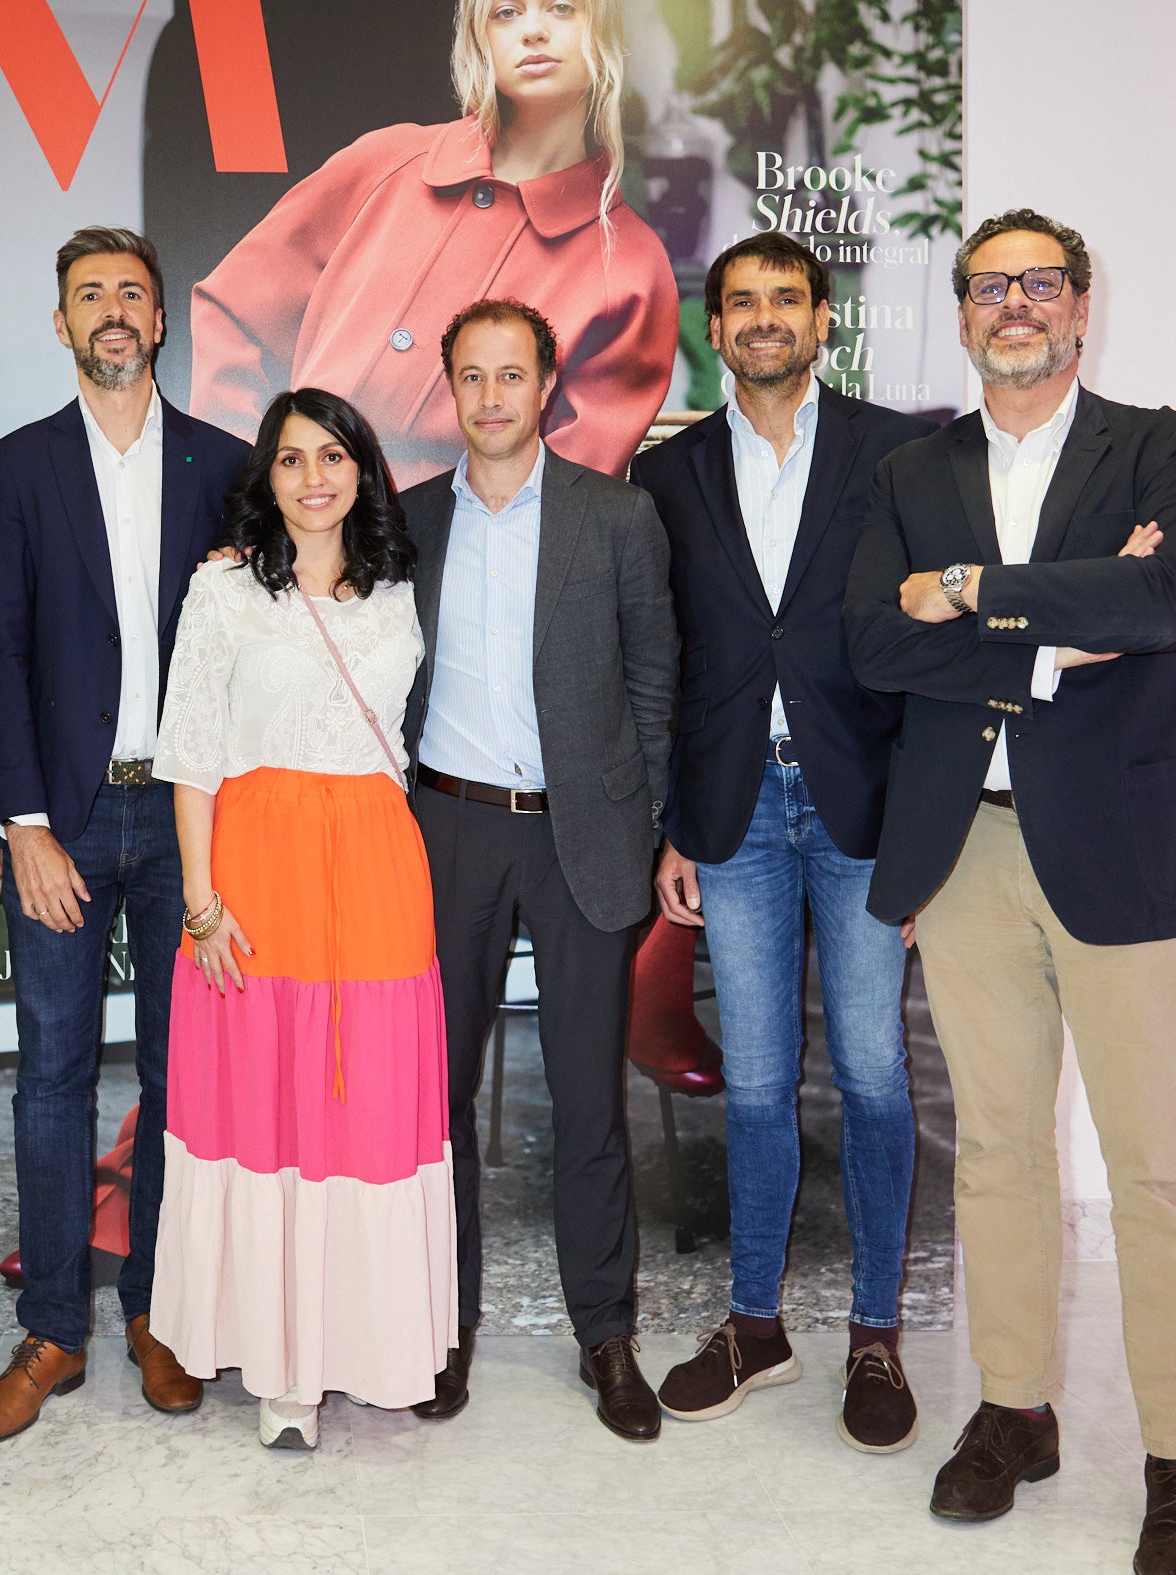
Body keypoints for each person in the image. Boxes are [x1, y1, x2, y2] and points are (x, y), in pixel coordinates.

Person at [844, 208, 1176, 1575]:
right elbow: (874, 642)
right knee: (998, 1153)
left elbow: (1166, 599)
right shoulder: (909, 465)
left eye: (1039, 282)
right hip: (965, 854)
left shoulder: (1163, 446)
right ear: (958, 313)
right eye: (988, 285)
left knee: (1157, 1168)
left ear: (1079, 305)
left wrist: (969, 592)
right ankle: (1015, 1411)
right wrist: (1061, 628)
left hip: (1125, 846)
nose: (1014, 303)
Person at [630, 231, 937, 1451]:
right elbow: (663, 667)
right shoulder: (670, 475)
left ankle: (873, 1334)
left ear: (821, 320)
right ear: (716, 328)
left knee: (869, 1073)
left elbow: (929, 660)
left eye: (786, 300)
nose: (764, 318)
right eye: (741, 302)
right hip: (734, 815)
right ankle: (753, 1324)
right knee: (755, 1082)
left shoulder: (897, 455)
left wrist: (923, 836)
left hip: (862, 812)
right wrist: (670, 827)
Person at [0, 226, 252, 1442]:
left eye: (132, 293)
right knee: (52, 1077)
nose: (114, 313)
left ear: (161, 319)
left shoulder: (224, 465)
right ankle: (53, 1333)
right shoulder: (17, 470)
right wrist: (23, 825)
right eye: (91, 296)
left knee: (185, 1081)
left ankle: (158, 1313)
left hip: (190, 815)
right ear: (62, 324)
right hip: (66, 823)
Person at [149, 388, 450, 1451]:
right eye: (290, 460)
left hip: (376, 862)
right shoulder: (224, 589)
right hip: (256, 865)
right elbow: (187, 753)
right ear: (264, 478)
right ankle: (281, 1366)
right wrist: (199, 902)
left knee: (364, 1108)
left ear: (363, 469)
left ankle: (368, 1345)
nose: (313, 477)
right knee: (268, 1109)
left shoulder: (404, 586)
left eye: (332, 456)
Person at [398, 297, 676, 1440]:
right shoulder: (405, 523)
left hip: (581, 838)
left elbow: (653, 685)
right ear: (451, 390)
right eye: (472, 376)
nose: (493, 396)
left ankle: (604, 1336)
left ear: (547, 383)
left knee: (586, 1104)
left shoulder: (616, 519)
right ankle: (436, 1329)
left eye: (513, 374)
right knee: (436, 1102)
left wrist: (645, 826)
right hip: (446, 834)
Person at [189, 0, 676, 487]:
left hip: (457, 554)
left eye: (562, 8)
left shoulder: (631, 265)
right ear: (478, 38)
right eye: (506, 12)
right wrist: (249, 493)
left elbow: (568, 494)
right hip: (292, 538)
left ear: (606, 30)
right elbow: (235, 314)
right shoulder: (386, 160)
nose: (533, 31)